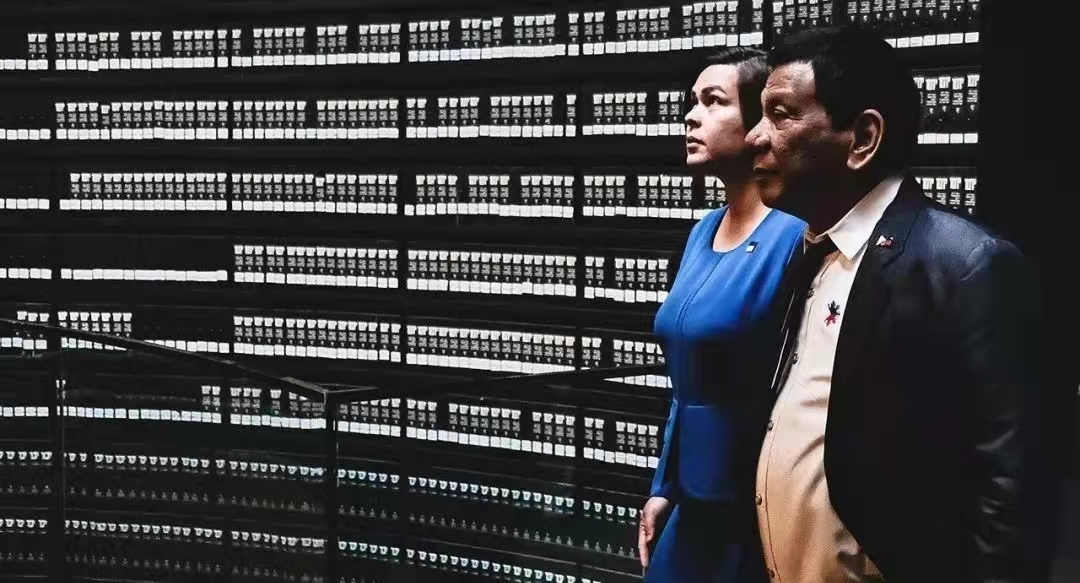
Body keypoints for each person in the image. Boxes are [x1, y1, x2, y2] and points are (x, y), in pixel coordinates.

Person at [746, 26, 1056, 583]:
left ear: (862, 138)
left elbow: (1012, 492)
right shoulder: (807, 253)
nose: (754, 138)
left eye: (780, 115)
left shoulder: (965, 265)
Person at [639, 47, 806, 583]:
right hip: (691, 503)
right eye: (692, 101)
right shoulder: (701, 231)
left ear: (759, 123)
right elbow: (686, 383)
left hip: (753, 508)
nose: (691, 116)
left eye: (714, 102)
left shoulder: (793, 235)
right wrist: (663, 488)